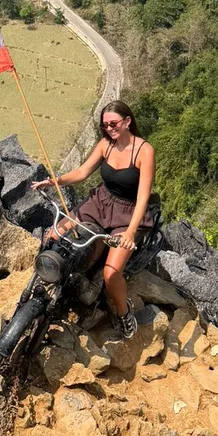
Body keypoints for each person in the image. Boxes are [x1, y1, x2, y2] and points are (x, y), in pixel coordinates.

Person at [31, 100, 156, 340]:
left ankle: (123, 312)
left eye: (114, 123)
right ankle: (45, 279)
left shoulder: (144, 151)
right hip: (100, 203)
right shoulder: (105, 145)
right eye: (105, 125)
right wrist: (55, 181)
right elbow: (82, 172)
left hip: (128, 214)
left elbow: (143, 197)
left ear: (127, 121)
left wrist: (130, 233)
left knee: (110, 274)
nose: (109, 128)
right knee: (54, 235)